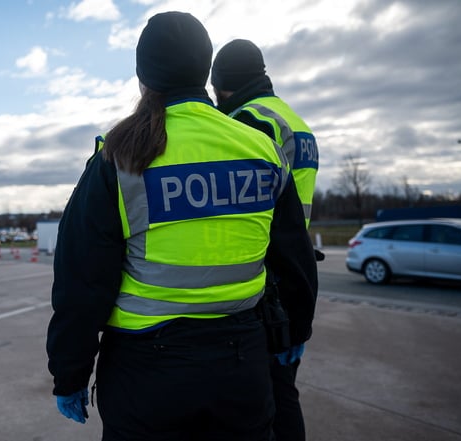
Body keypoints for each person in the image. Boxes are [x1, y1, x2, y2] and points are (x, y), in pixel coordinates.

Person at [46, 11, 318, 441]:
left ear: (142, 77)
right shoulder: (262, 148)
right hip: (242, 365)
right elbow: (294, 257)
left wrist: (70, 372)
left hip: (146, 376)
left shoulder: (118, 157)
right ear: (204, 70)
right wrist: (296, 328)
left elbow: (81, 281)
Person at [212, 38, 320, 441]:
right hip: (296, 265)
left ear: (222, 82)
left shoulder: (249, 121)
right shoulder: (296, 121)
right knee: (283, 387)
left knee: (270, 399)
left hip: (268, 276)